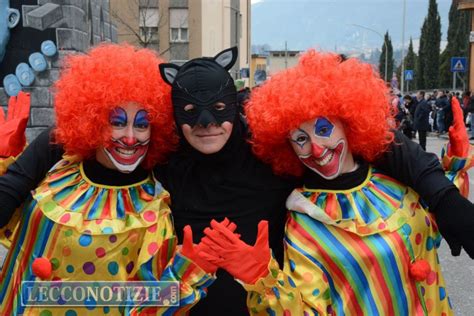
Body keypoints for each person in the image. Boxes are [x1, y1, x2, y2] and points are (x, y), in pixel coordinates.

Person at [2, 47, 474, 315]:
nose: (207, 123)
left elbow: (358, 140)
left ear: (237, 108)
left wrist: (442, 195)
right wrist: (26, 161)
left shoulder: (267, 149)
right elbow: (90, 137)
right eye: (190, 114)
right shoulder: (158, 161)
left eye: (220, 111)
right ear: (172, 122)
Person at [200, 50, 472, 315]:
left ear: (349, 122)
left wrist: (457, 161)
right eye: (301, 139)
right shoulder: (304, 222)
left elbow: (438, 223)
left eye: (323, 129)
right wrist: (263, 280)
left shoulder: (394, 182)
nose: (317, 149)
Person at [0, 44, 218, 315]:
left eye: (141, 124)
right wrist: (5, 162)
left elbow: (147, 306)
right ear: (92, 121)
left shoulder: (152, 211)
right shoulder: (59, 167)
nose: (129, 137)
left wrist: (185, 275)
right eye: (117, 122)